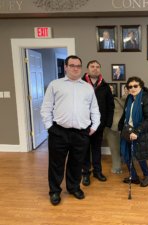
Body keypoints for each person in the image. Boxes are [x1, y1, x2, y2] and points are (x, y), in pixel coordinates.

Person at [40, 55, 100, 206]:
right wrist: (49, 127)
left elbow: (94, 109)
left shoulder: (87, 87)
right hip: (58, 132)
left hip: (81, 133)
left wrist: (94, 126)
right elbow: (46, 107)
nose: (75, 68)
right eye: (72, 65)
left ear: (81, 68)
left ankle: (73, 188)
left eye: (78, 66)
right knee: (56, 164)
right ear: (65, 67)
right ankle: (54, 191)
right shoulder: (55, 85)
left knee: (76, 163)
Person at [81, 60, 115, 186]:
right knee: (84, 150)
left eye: (97, 67)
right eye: (92, 66)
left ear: (100, 69)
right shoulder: (80, 84)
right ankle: (85, 173)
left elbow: (110, 106)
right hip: (83, 124)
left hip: (99, 125)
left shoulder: (105, 87)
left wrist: (108, 123)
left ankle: (97, 171)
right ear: (87, 68)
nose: (95, 69)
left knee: (96, 149)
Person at [118, 76, 148, 187]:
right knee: (126, 154)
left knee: (140, 156)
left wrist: (137, 131)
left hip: (140, 132)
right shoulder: (129, 98)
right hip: (127, 130)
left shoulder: (146, 99)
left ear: (141, 86)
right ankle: (133, 177)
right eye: (130, 87)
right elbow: (125, 114)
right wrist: (121, 126)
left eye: (135, 86)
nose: (133, 88)